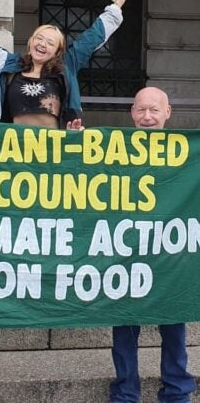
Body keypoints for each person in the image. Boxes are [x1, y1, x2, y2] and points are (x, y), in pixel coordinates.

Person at [109, 87, 196, 403]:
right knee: (124, 332)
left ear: (167, 113)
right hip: (124, 253)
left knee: (174, 328)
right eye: (141, 110)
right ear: (132, 113)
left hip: (170, 258)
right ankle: (125, 392)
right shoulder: (110, 151)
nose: (147, 117)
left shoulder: (187, 153)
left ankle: (176, 391)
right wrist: (73, 142)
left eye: (154, 110)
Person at [0, 0, 127, 129]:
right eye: (39, 38)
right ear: (30, 42)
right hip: (13, 148)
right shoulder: (6, 63)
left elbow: (92, 37)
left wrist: (116, 7)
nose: (42, 44)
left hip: (52, 149)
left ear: (57, 51)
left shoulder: (67, 64)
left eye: (50, 43)